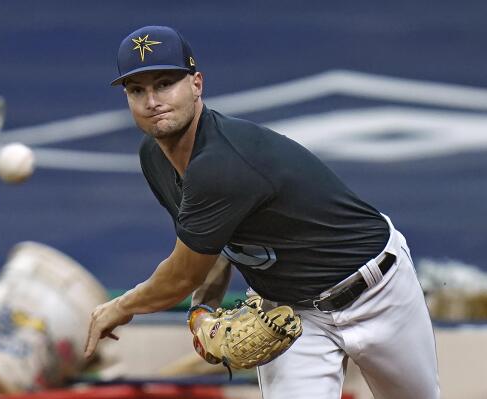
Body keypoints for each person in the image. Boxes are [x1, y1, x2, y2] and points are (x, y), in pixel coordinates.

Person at [84, 25, 439, 399]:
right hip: (293, 315)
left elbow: (180, 277)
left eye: (165, 83)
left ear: (197, 84)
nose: (152, 100)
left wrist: (119, 307)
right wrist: (202, 310)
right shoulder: (154, 158)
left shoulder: (220, 162)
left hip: (377, 293)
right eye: (137, 90)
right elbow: (212, 244)